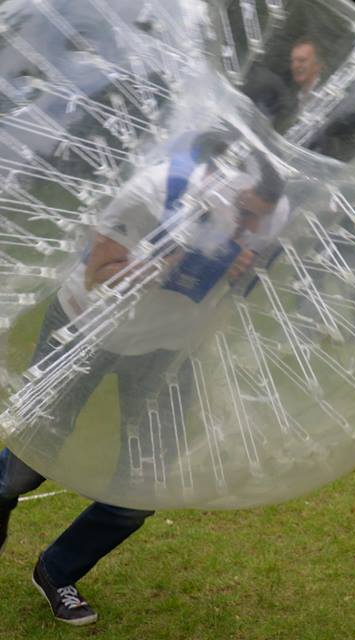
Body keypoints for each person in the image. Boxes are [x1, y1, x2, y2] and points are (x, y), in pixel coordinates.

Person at [0, 133, 289, 626]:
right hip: (88, 327)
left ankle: (57, 569)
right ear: (215, 186)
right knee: (29, 462)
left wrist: (243, 269)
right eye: (242, 212)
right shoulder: (152, 193)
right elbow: (98, 272)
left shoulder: (268, 212)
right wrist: (174, 262)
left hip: (167, 349)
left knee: (145, 484)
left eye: (258, 216)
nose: (250, 225)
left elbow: (251, 281)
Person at [289, 36, 324, 115]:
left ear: (317, 65)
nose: (295, 66)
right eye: (292, 61)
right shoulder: (297, 99)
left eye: (302, 60)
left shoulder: (325, 93)